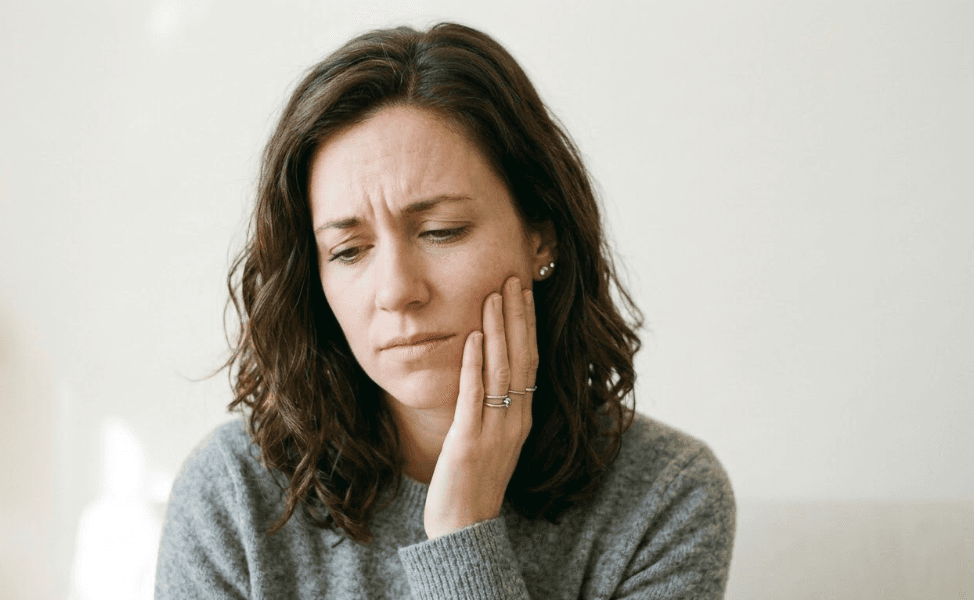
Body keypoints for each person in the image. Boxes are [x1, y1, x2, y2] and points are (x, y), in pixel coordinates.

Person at [155, 22, 736, 599]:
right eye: (349, 250)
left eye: (441, 231)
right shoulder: (232, 494)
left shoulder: (665, 494)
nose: (396, 291)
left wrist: (464, 530)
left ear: (542, 238)